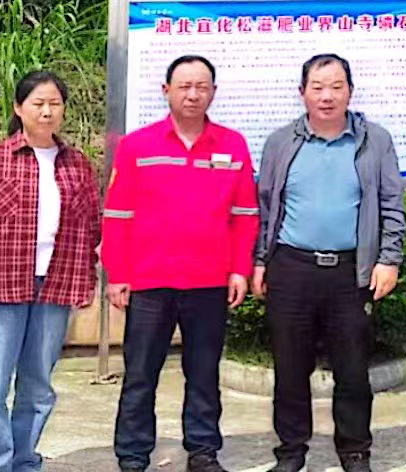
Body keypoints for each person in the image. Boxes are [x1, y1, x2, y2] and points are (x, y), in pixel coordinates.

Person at [102, 55, 259, 472]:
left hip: (209, 281)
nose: (193, 94)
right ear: (166, 90)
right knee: (140, 374)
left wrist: (239, 269)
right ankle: (133, 455)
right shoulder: (137, 146)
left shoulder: (232, 145)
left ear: (213, 92)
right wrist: (118, 274)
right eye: (184, 86)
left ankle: (203, 451)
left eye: (202, 86)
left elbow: (245, 215)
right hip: (149, 282)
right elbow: (117, 215)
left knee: (204, 373)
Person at [251, 54, 406, 472]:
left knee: (353, 369)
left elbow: (392, 203)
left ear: (350, 91)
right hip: (291, 268)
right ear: (302, 92)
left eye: (337, 87)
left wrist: (389, 259)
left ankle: (354, 450)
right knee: (290, 368)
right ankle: (291, 452)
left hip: (349, 272)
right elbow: (264, 207)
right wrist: (260, 261)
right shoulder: (281, 142)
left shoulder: (374, 141)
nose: (327, 96)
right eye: (317, 87)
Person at [0, 71, 101, 472]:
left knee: (37, 387)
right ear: (19, 108)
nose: (47, 111)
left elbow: (92, 227)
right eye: (38, 103)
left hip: (56, 285)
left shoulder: (77, 165)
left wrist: (87, 280)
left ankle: (22, 461)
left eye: (54, 103)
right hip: (0, 284)